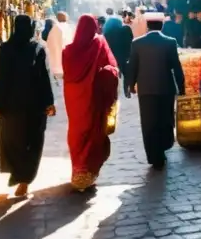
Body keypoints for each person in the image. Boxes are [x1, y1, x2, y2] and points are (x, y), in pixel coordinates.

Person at [0, 15, 57, 197]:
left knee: (13, 141)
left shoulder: (4, 49)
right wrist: (49, 102)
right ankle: (24, 179)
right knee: (32, 142)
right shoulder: (37, 48)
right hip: (34, 105)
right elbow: (44, 77)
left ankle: (19, 175)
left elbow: (1, 78)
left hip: (11, 105)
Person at [62, 14, 119, 192]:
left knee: (77, 133)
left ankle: (77, 171)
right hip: (93, 98)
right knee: (93, 133)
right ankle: (87, 173)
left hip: (74, 100)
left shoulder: (67, 51)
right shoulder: (99, 43)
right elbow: (111, 68)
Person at [125, 12, 185, 169]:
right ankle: (163, 148)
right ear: (162, 25)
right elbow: (176, 68)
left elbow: (132, 66)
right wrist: (182, 87)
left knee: (148, 123)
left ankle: (153, 155)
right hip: (165, 89)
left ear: (147, 26)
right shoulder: (170, 42)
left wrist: (130, 85)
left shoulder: (137, 43)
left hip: (146, 90)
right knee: (165, 120)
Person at [106, 13, 135, 99]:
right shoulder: (126, 29)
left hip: (113, 57)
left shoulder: (108, 33)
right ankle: (127, 91)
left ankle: (114, 93)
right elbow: (131, 41)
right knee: (127, 75)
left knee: (114, 75)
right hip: (126, 56)